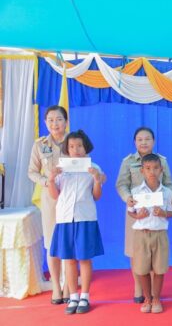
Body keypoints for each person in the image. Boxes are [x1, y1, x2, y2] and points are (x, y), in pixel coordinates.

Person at [47, 130, 104, 314]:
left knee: (84, 258)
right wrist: (50, 178)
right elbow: (55, 195)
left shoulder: (93, 167)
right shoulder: (61, 168)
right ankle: (73, 297)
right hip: (64, 217)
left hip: (85, 217)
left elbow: (96, 196)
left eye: (79, 145)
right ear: (67, 149)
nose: (76, 149)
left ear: (85, 146)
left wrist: (96, 179)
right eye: (71, 146)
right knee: (69, 259)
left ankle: (85, 297)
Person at [116, 127, 172, 303]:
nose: (144, 142)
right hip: (137, 214)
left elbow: (169, 184)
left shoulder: (161, 161)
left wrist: (171, 201)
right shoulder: (128, 161)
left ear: (153, 141)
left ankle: (153, 293)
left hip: (156, 214)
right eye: (140, 139)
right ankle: (138, 288)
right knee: (137, 252)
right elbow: (121, 184)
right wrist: (128, 199)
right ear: (135, 142)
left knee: (154, 253)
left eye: (147, 139)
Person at [28, 105, 69, 304]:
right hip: (50, 198)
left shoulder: (74, 141)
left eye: (59, 119)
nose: (55, 123)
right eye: (51, 120)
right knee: (52, 242)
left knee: (69, 240)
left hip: (71, 197)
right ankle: (56, 287)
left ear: (66, 122)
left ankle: (69, 285)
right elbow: (32, 172)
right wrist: (47, 181)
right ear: (45, 123)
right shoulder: (39, 145)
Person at [127, 153, 172, 314]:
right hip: (141, 234)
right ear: (142, 171)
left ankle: (156, 298)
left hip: (160, 234)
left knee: (160, 269)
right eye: (148, 168)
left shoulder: (167, 192)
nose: (152, 172)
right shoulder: (135, 192)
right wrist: (137, 215)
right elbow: (131, 212)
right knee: (142, 269)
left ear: (161, 170)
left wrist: (163, 213)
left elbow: (171, 212)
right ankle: (147, 298)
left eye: (155, 168)